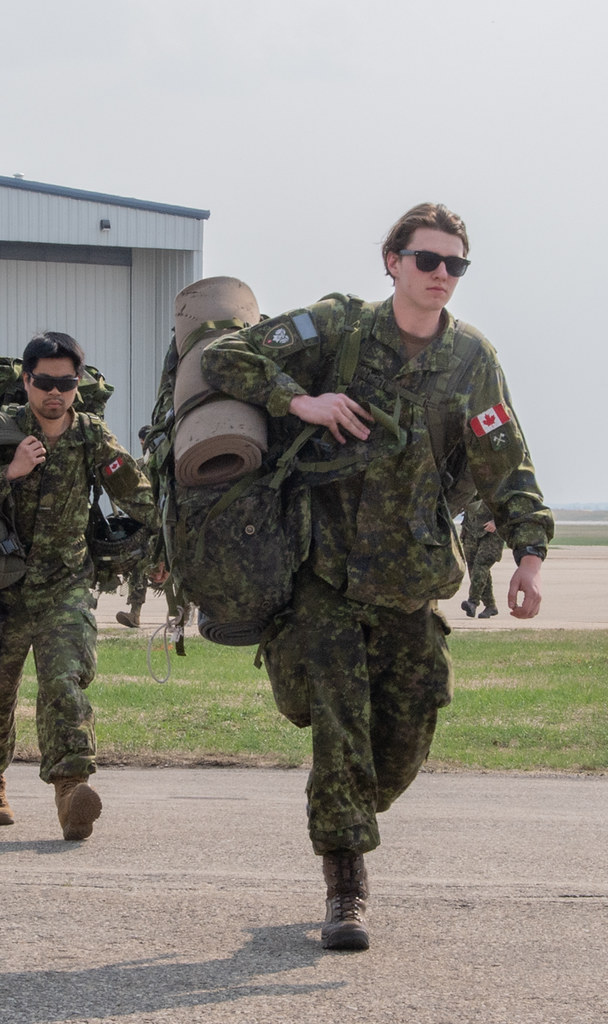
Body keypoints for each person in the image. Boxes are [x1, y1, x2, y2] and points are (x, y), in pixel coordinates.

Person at [201, 202, 553, 951]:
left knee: (406, 731)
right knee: (340, 721)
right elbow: (225, 357)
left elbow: (505, 462)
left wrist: (529, 556)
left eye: (455, 264)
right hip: (321, 571)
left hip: (410, 579)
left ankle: (347, 812)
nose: (441, 276)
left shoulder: (471, 360)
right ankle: (345, 887)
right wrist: (300, 398)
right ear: (392, 260)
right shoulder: (335, 329)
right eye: (427, 260)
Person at [0, 331, 161, 840]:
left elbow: (136, 493)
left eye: (65, 382)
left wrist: (164, 547)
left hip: (65, 584)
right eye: (44, 382)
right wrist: (9, 473)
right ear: (27, 380)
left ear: (78, 384)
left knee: (64, 680)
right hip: (1, 589)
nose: (54, 392)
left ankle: (70, 788)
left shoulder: (91, 435)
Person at [116, 425, 153, 628]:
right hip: (145, 527)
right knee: (139, 564)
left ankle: (183, 609)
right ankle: (135, 613)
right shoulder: (138, 467)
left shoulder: (166, 465)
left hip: (168, 524)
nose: (144, 447)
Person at [460, 498, 506, 618]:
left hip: (492, 532)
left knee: (481, 564)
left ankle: (473, 602)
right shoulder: (468, 481)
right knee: (474, 567)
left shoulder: (499, 482)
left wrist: (497, 521)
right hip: (471, 528)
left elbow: (510, 505)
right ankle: (490, 606)